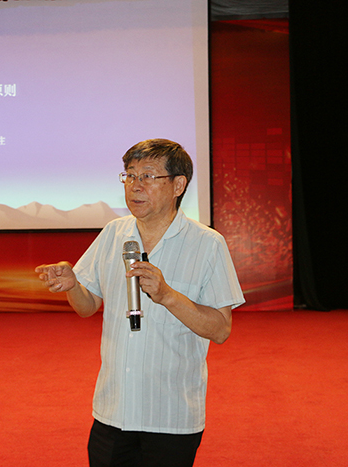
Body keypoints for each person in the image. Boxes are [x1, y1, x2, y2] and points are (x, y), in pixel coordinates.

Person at [35, 138, 244, 467]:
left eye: (148, 176)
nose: (135, 185)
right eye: (130, 175)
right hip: (113, 411)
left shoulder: (207, 244)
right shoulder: (113, 233)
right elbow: (87, 306)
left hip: (170, 416)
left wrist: (168, 296)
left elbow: (220, 330)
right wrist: (73, 286)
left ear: (178, 185)